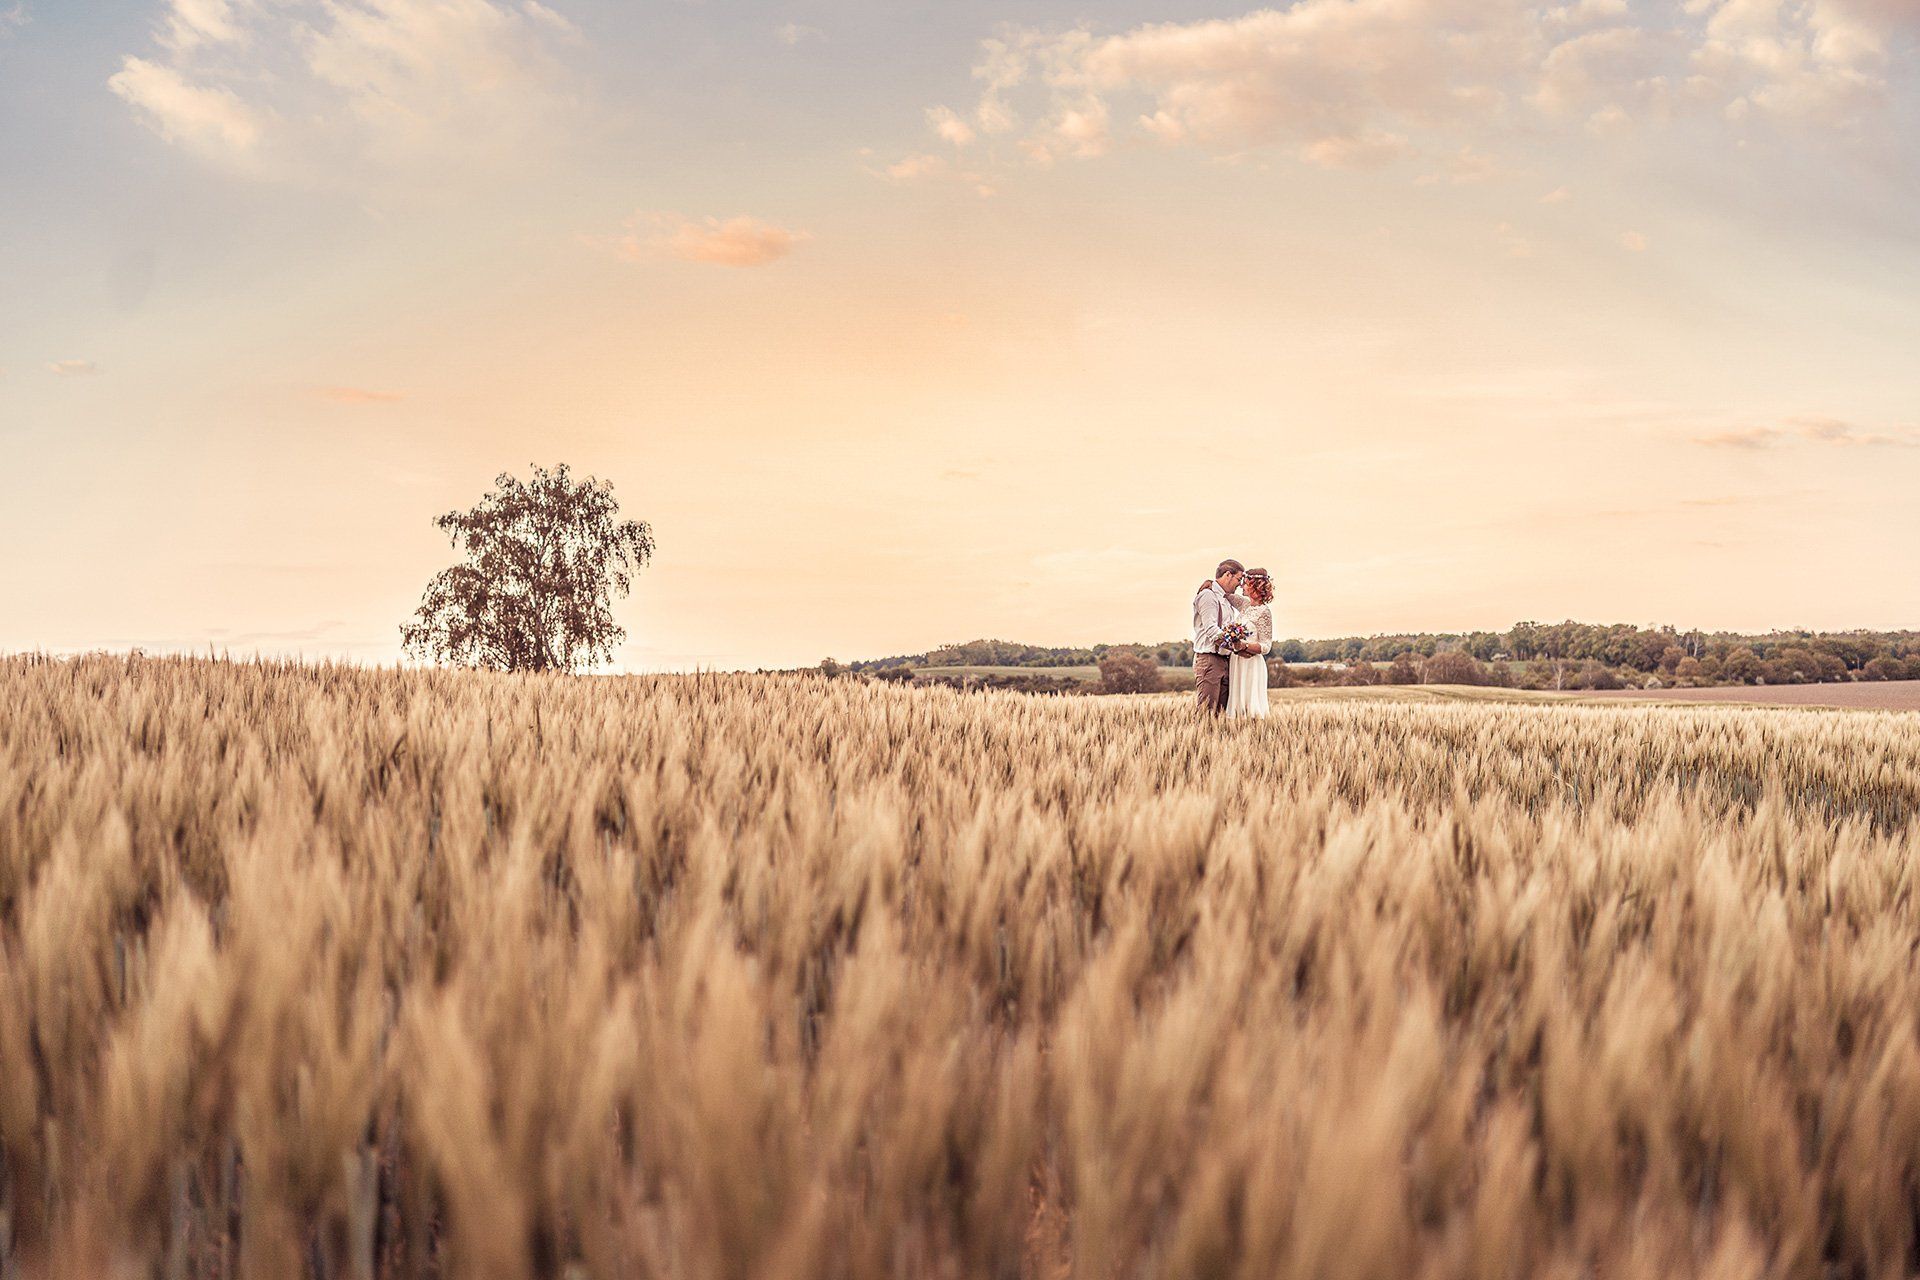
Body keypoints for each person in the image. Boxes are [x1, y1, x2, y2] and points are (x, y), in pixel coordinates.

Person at [1193, 559, 1260, 714]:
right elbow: (1212, 631)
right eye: (1238, 579)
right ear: (1228, 575)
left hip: (1225, 660)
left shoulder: (1226, 598)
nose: (1240, 584)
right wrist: (1238, 648)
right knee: (1206, 712)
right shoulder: (1208, 596)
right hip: (1209, 660)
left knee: (1221, 714)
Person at [1225, 568, 1274, 718]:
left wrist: (1244, 645)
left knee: (1251, 706)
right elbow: (1225, 594)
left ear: (1255, 586)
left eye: (1245, 583)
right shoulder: (1245, 605)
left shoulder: (1264, 612)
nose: (1241, 586)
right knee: (1238, 708)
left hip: (1251, 663)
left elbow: (1266, 646)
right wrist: (1210, 584)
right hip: (1237, 662)